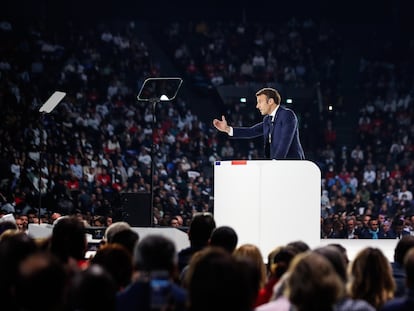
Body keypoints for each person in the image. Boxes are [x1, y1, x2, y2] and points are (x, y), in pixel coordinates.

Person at [213, 87, 305, 160]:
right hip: (279, 166)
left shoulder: (287, 115)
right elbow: (251, 131)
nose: (257, 106)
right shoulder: (267, 120)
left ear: (270, 101)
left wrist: (276, 163)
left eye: (260, 102)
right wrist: (227, 129)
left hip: (293, 165)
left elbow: (285, 142)